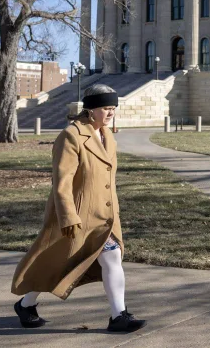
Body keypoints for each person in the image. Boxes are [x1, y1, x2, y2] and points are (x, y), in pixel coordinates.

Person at [10, 84, 145, 333]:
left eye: (113, 108)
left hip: (104, 216)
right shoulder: (71, 135)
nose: (111, 113)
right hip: (78, 215)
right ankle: (26, 304)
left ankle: (119, 316)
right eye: (106, 108)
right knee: (56, 262)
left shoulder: (107, 134)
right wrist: (68, 215)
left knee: (112, 257)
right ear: (91, 110)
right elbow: (62, 180)